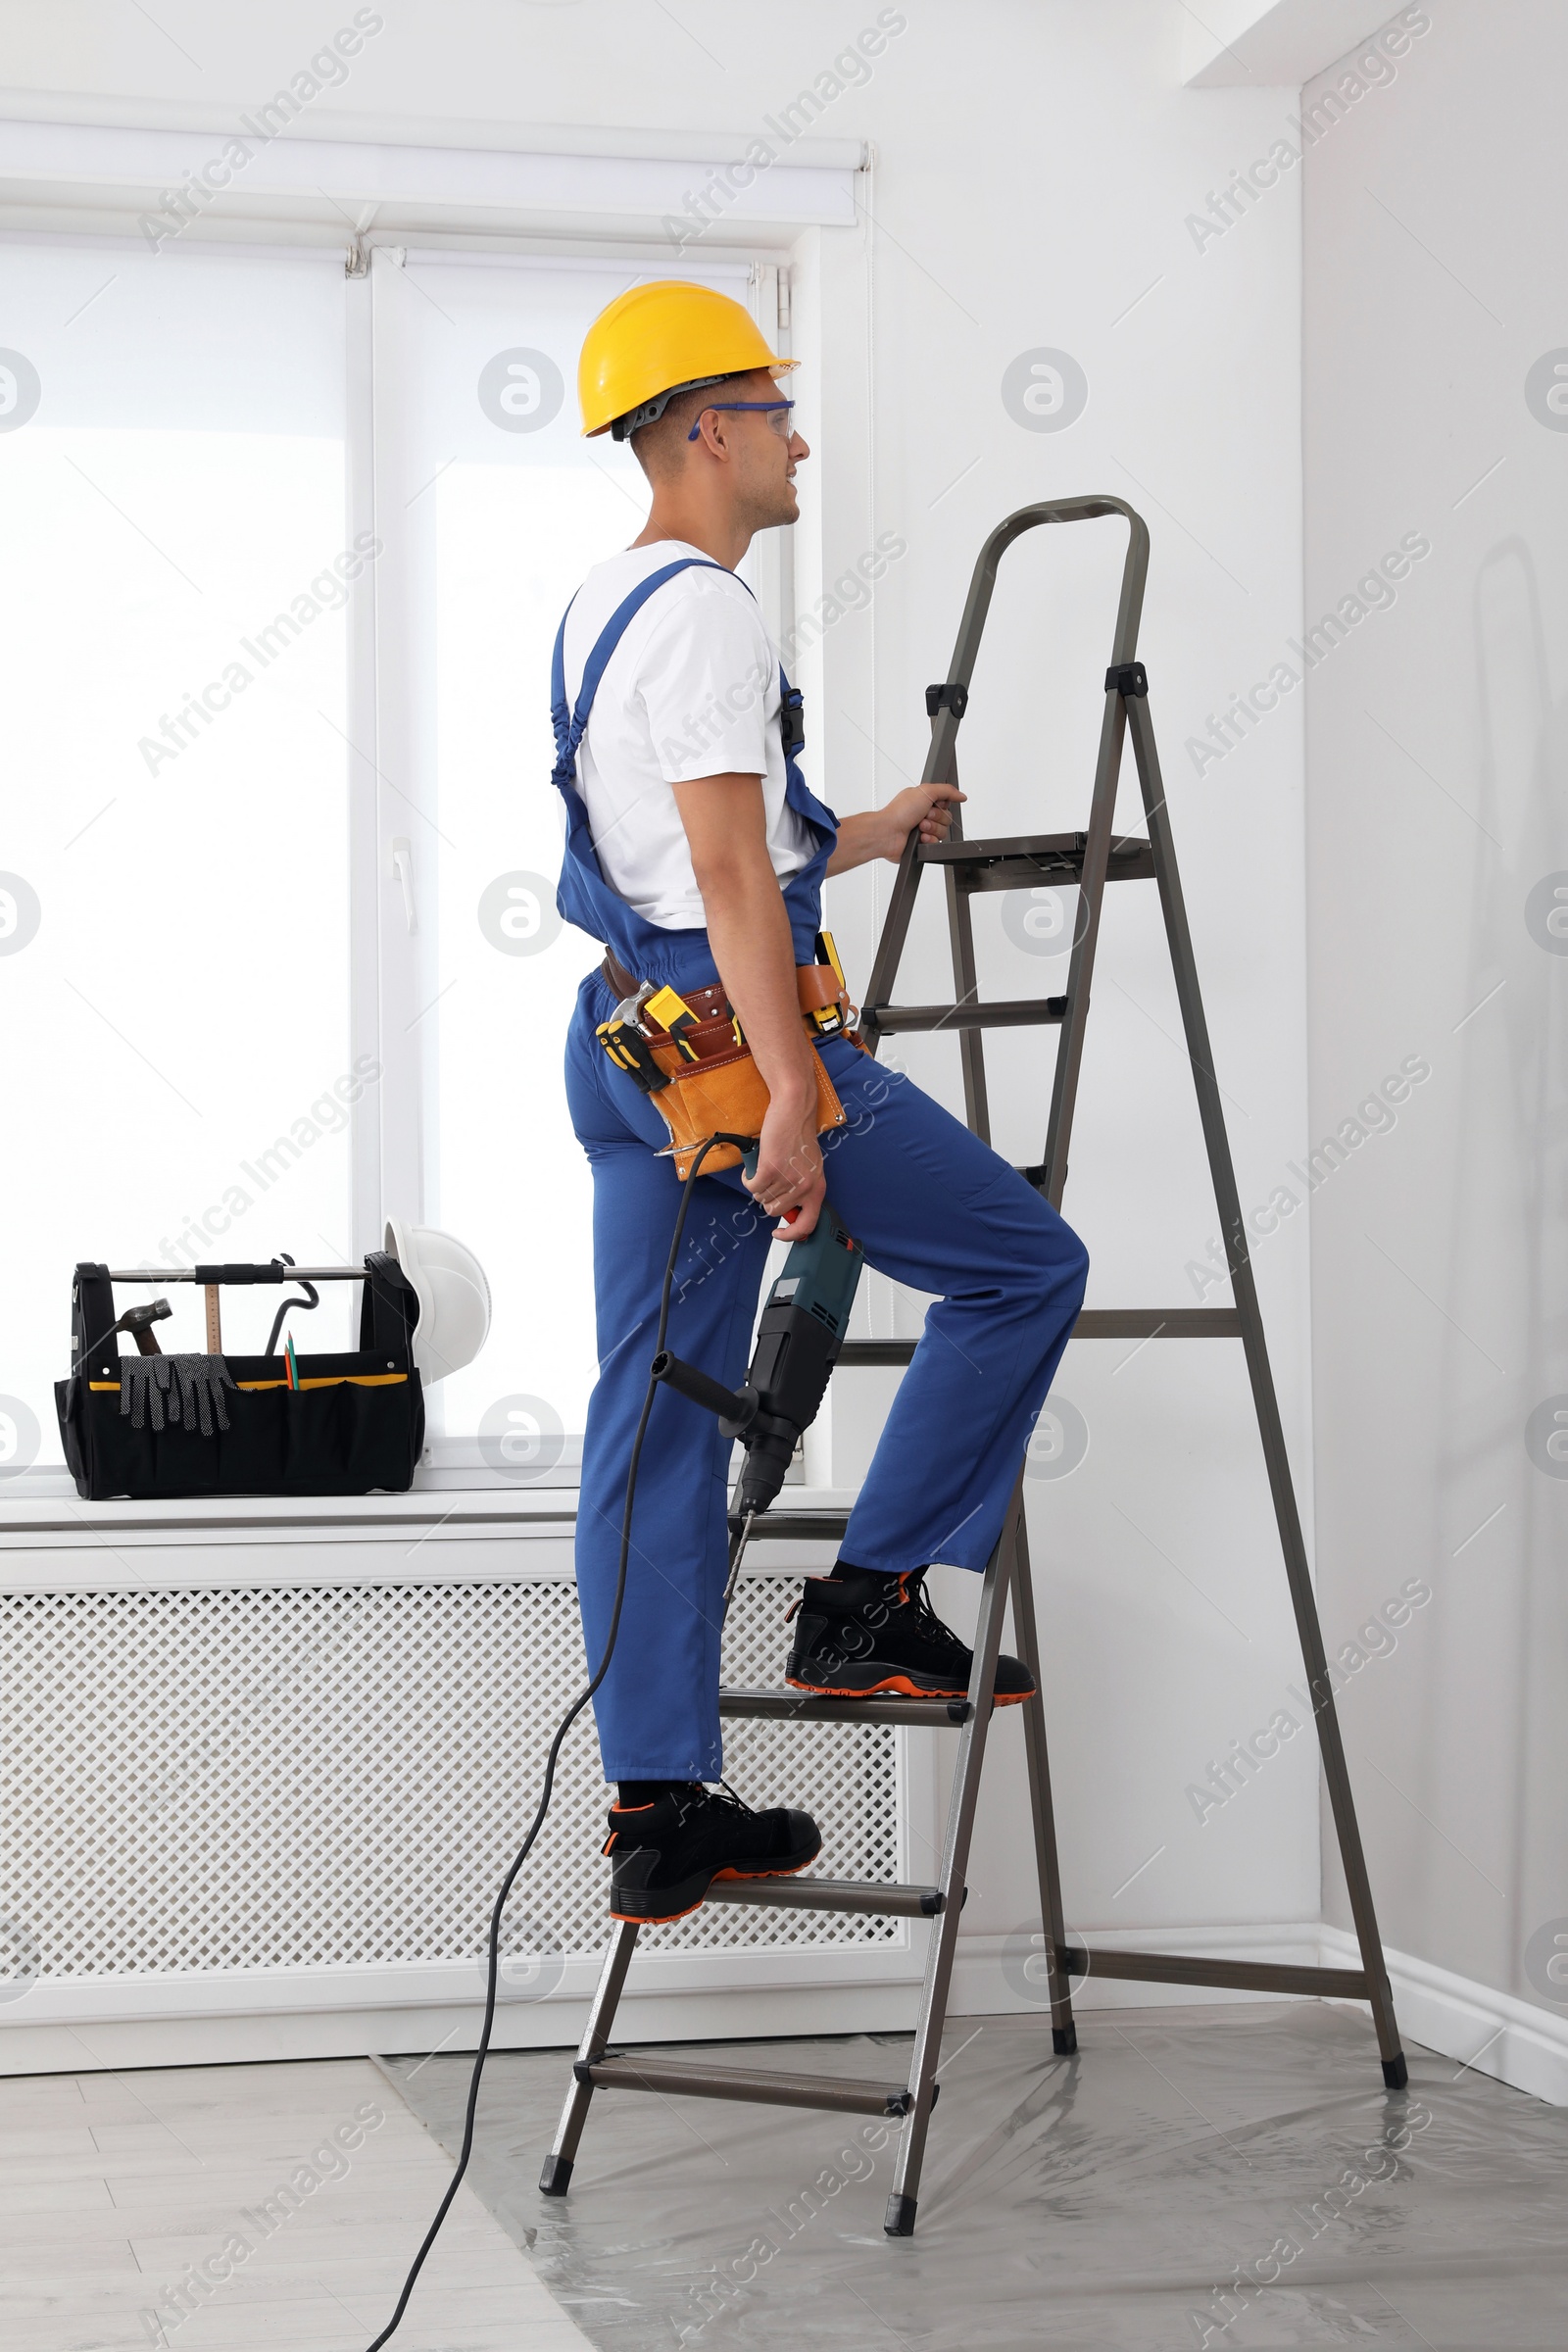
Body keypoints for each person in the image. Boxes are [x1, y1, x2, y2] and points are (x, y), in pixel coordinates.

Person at [555, 281, 1089, 1927]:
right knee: (1025, 1266)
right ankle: (864, 1605)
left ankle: (659, 1807)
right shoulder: (714, 612)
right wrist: (796, 1093)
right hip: (735, 1041)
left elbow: (700, 834)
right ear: (703, 427)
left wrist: (863, 830)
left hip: (629, 1047)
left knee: (654, 1410)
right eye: (774, 412)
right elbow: (718, 864)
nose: (799, 438)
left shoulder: (604, 604)